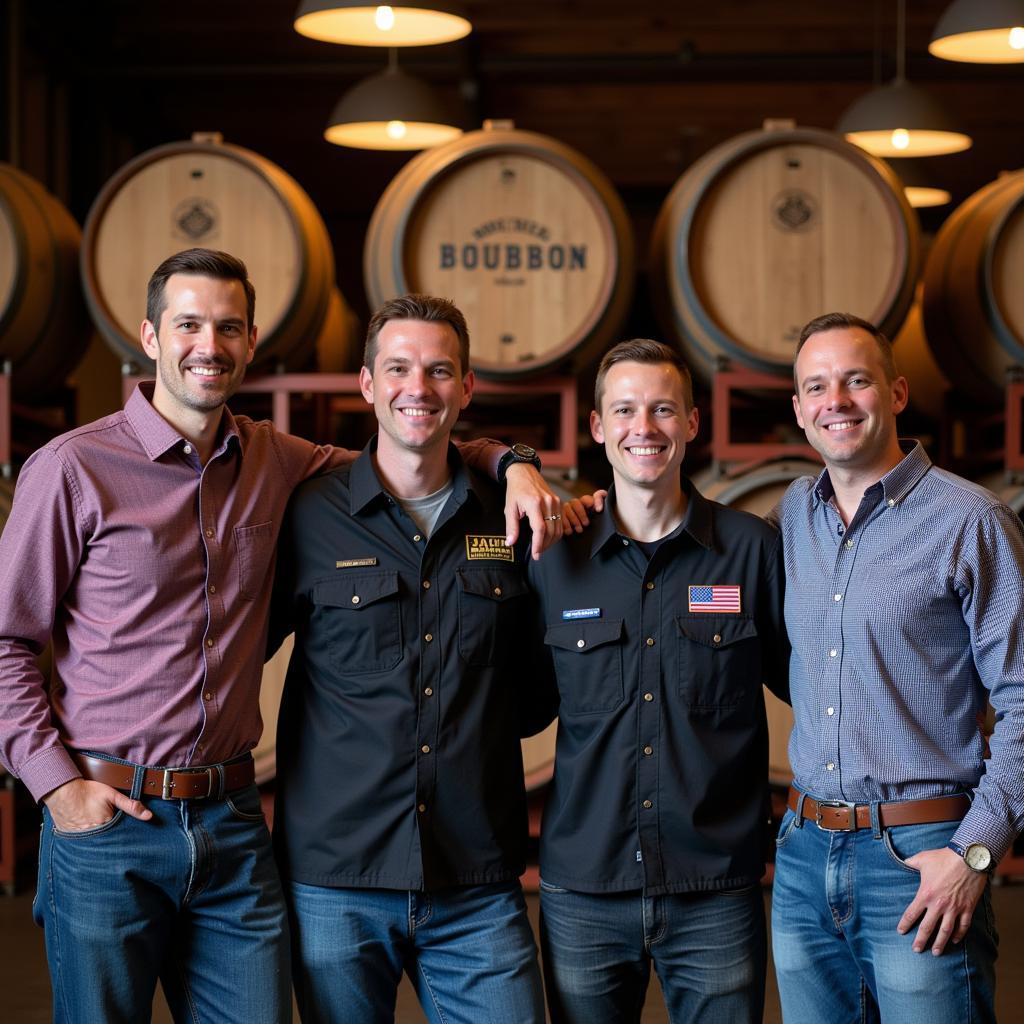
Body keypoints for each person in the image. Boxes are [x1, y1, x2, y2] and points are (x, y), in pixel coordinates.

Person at [0, 248, 570, 1024]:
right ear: (149, 335)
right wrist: (56, 787)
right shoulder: (73, 468)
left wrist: (515, 463)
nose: (210, 344)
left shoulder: (279, 461)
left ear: (253, 341)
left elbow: (412, 450)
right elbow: (5, 639)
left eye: (228, 326)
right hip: (111, 822)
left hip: (234, 828)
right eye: (190, 324)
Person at [269, 293, 552, 1024]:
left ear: (466, 386)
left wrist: (517, 461)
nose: (417, 389)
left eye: (438, 370)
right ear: (367, 384)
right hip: (336, 877)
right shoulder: (308, 514)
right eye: (397, 369)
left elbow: (536, 692)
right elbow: (233, 650)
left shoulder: (513, 516)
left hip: (476, 879)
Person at [771, 311, 1024, 1023]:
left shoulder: (970, 520)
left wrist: (973, 855)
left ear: (897, 391)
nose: (836, 401)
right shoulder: (793, 514)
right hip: (803, 854)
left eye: (856, 380)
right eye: (816, 386)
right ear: (798, 409)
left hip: (923, 856)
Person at [527, 339, 789, 1023]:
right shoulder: (554, 558)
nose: (644, 429)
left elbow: (816, 690)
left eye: (663, 409)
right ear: (597, 427)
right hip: (584, 888)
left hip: (716, 889)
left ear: (693, 423)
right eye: (625, 410)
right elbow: (515, 706)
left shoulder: (751, 551)